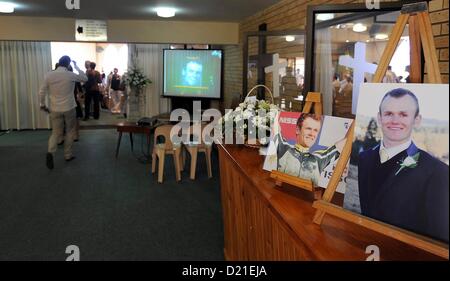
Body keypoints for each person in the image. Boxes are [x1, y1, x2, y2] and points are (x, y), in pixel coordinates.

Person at [357, 88, 448, 242]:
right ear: (379, 118)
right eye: (388, 114)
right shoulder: (364, 158)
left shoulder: (438, 172)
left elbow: (439, 238)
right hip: (364, 242)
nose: (395, 121)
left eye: (404, 114)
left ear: (417, 120)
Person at [39, 55, 88, 169]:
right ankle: (68, 155)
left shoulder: (49, 75)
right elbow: (84, 78)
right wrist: (76, 66)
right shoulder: (70, 75)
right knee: (70, 131)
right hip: (69, 107)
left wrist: (42, 104)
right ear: (67, 64)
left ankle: (50, 152)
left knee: (55, 133)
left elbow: (41, 91)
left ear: (58, 63)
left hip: (55, 108)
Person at [275, 113, 346, 186]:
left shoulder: (319, 159)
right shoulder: (284, 148)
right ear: (297, 130)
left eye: (315, 130)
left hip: (304, 197)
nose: (312, 134)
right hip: (279, 192)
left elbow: (346, 141)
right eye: (308, 128)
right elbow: (271, 120)